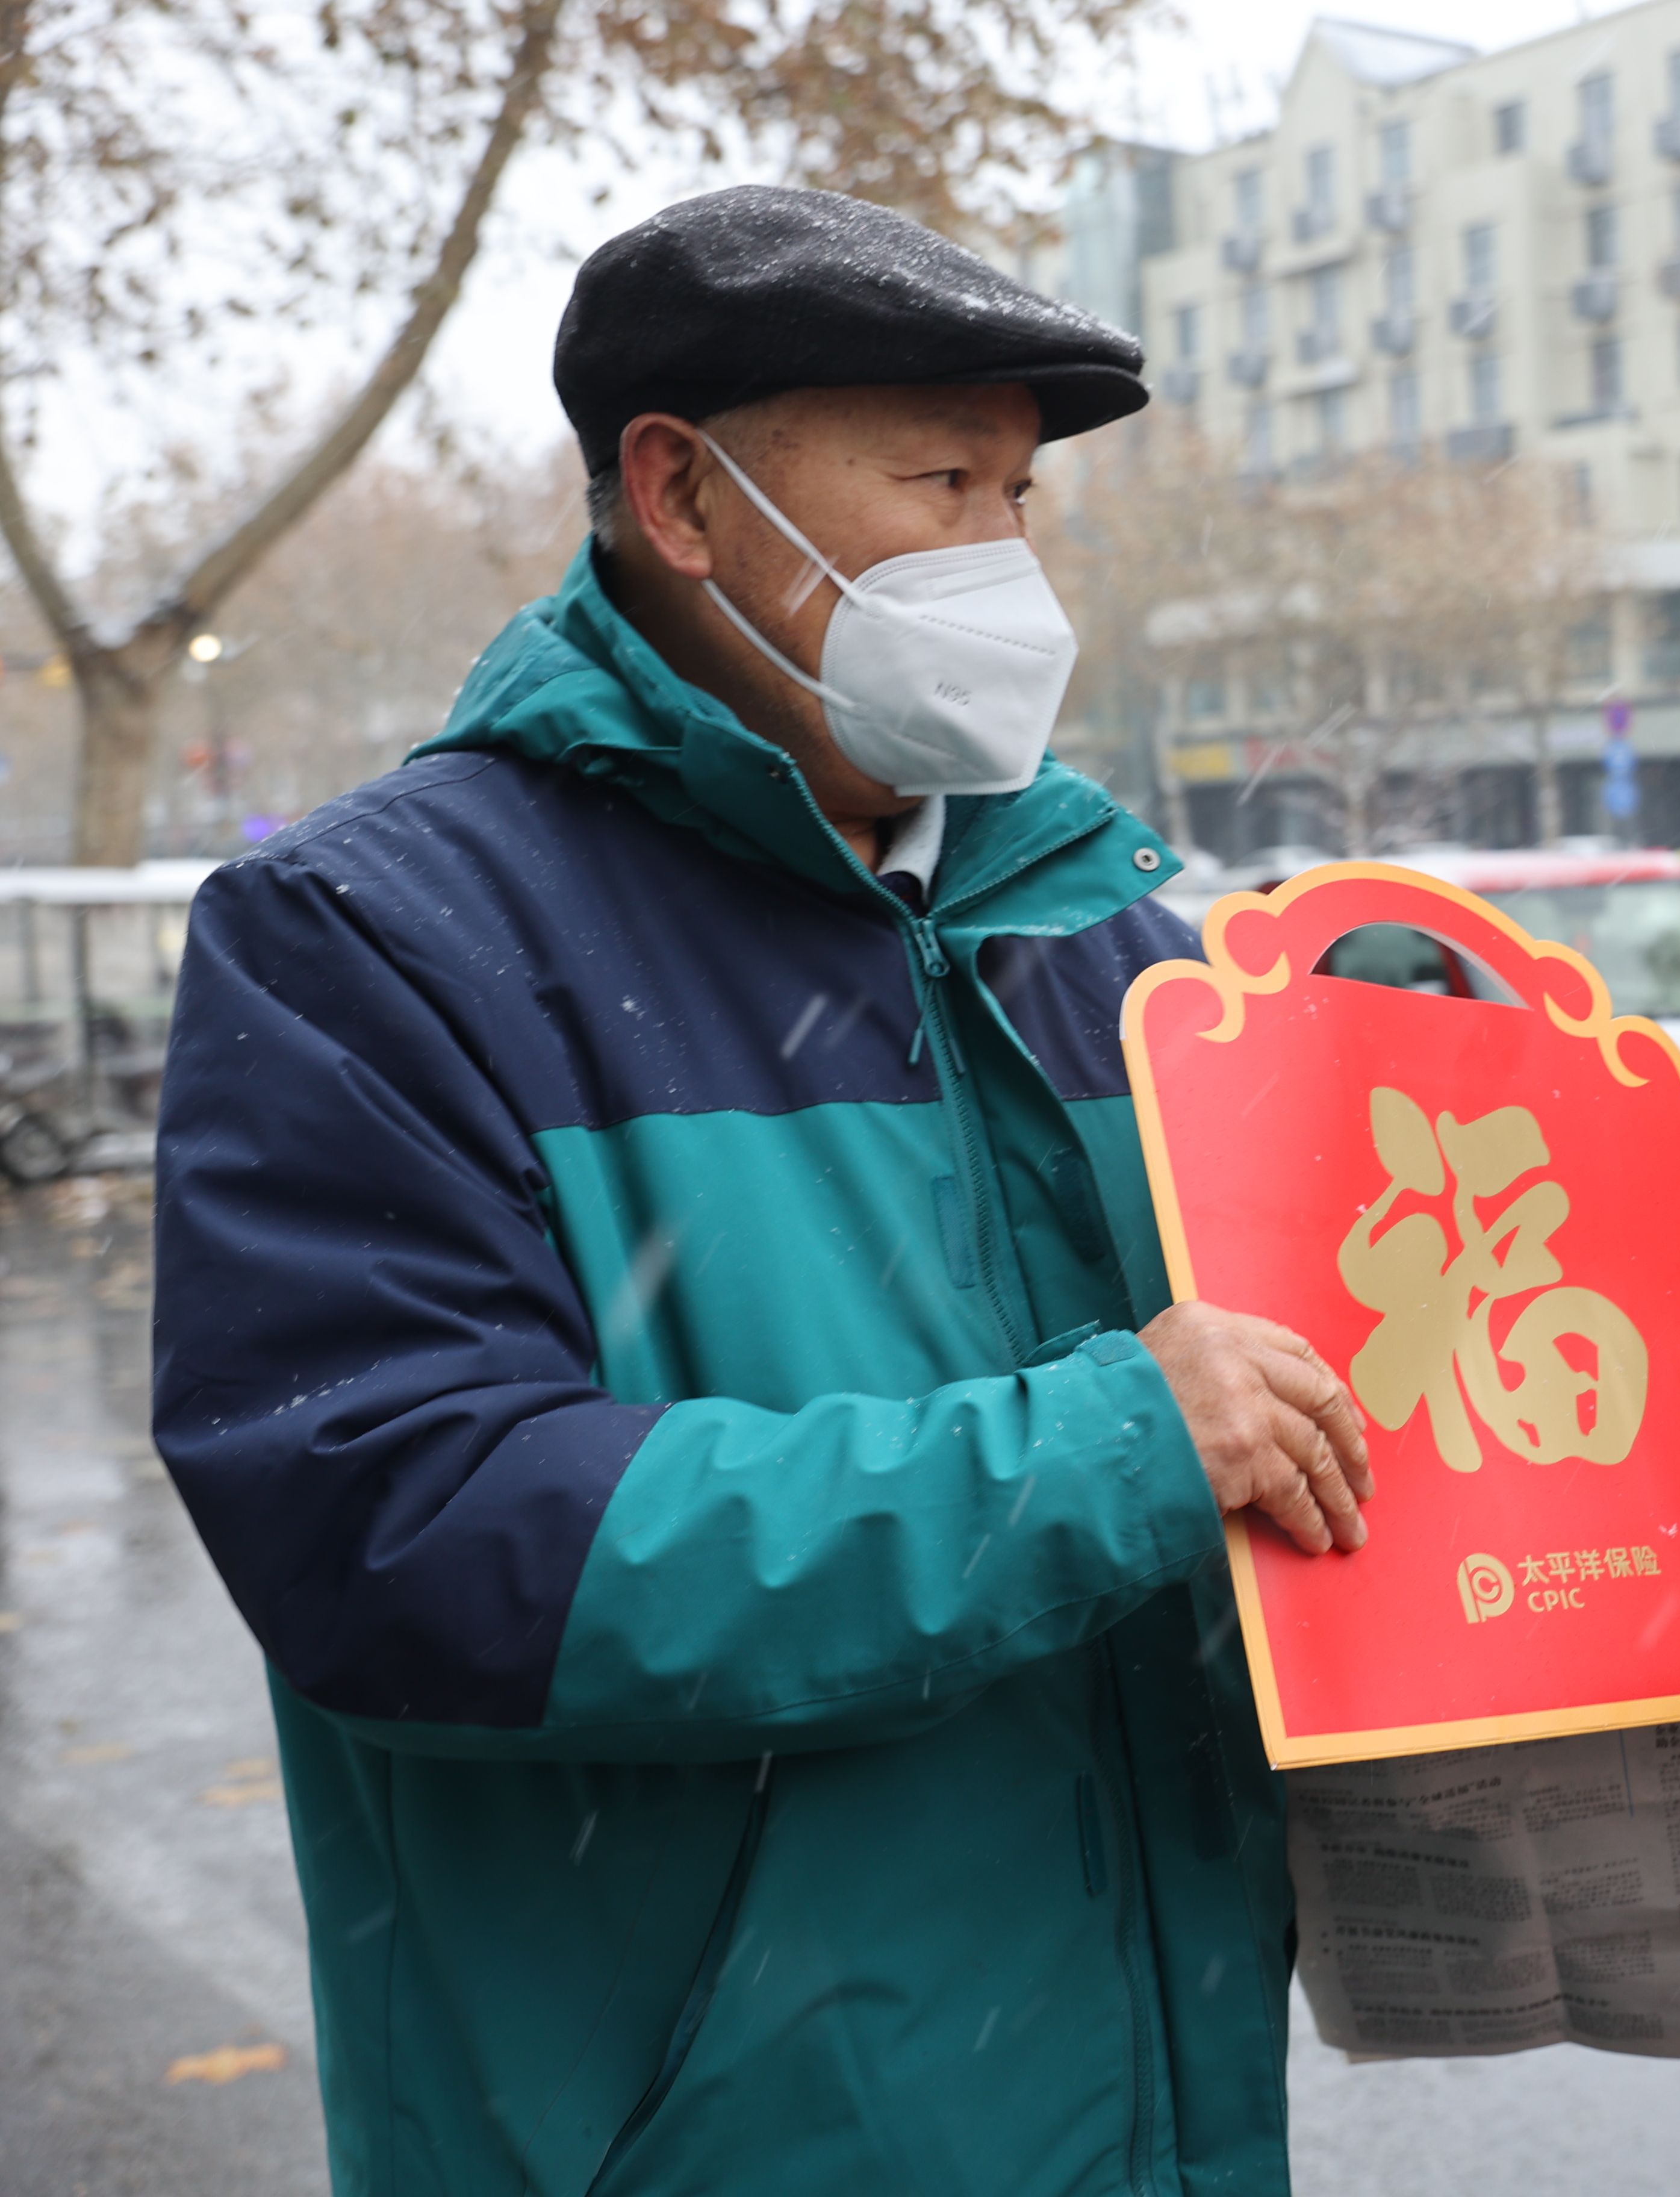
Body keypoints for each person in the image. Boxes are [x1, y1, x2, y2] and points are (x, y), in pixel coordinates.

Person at [151, 187, 1376, 2194]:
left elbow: (1322, 1401)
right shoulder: (374, 940)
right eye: (939, 479)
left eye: (1020, 496)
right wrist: (1097, 1453)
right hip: (691, 2136)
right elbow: (407, 1533)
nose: (1004, 563)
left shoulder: (1117, 942)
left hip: (1157, 2115)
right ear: (682, 495)